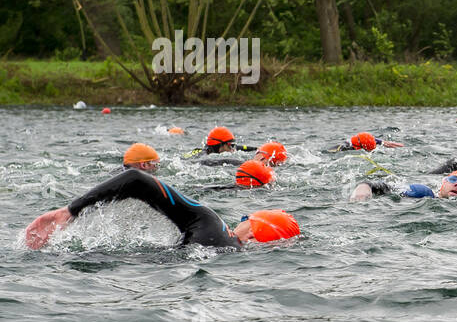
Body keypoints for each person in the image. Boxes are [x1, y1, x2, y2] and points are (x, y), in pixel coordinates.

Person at [23, 169, 299, 250]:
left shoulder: (212, 225)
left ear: (252, 234)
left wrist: (71, 211)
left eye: (246, 220)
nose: (239, 221)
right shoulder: (228, 250)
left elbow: (136, 179)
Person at [183, 126, 258, 159]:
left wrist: (257, 149)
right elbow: (225, 161)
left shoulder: (210, 149)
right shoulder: (205, 157)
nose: (233, 149)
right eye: (230, 145)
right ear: (220, 145)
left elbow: (239, 147)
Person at [323, 132, 406, 153]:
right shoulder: (344, 147)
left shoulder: (368, 140)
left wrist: (399, 145)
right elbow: (328, 152)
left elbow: (384, 143)